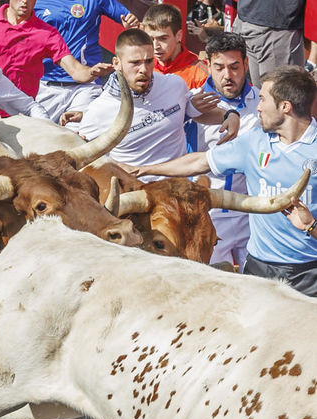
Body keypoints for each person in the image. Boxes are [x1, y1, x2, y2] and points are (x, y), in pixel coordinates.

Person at [135, 66, 317, 293]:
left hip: (310, 273)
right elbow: (199, 162)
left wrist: (311, 227)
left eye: (263, 100)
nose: (257, 107)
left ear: (285, 107)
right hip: (259, 269)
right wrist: (144, 169)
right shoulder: (254, 141)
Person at [66, 29, 232, 172]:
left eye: (149, 61)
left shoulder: (174, 85)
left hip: (177, 192)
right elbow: (81, 162)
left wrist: (230, 115)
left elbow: (193, 111)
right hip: (134, 197)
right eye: (135, 63)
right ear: (117, 63)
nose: (144, 70)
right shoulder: (98, 112)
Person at [32, 0, 137, 121]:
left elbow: (129, 20)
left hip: (86, 85)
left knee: (80, 137)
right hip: (46, 84)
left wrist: (131, 23)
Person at [192, 32, 259, 268]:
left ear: (246, 64)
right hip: (208, 213)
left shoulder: (263, 103)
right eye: (219, 67)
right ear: (207, 65)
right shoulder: (191, 105)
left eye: (234, 67)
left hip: (251, 212)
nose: (227, 76)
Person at [143, 3, 208, 89]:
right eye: (151, 39)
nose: (155, 46)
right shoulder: (142, 68)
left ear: (179, 36)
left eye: (163, 38)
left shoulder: (201, 74)